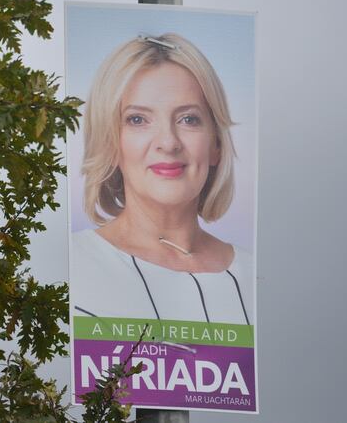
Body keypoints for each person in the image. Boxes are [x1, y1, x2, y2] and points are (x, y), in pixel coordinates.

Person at [71, 33, 253, 325]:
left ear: (216, 144)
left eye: (189, 119)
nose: (168, 142)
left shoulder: (255, 274)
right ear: (109, 142)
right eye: (138, 120)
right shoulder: (70, 265)